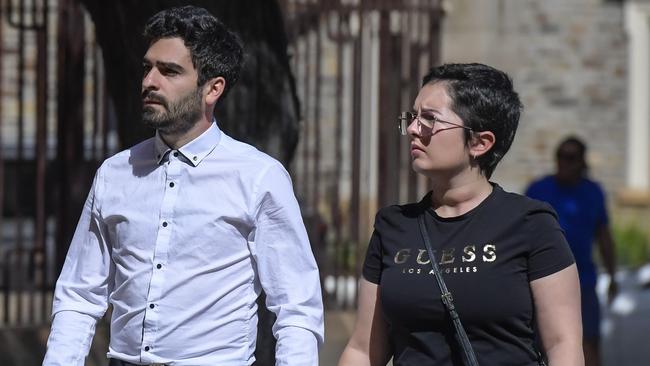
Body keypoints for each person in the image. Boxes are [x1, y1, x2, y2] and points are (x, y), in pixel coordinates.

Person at [43, 6, 323, 366]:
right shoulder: (115, 173)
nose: (149, 82)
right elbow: (79, 296)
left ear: (212, 89)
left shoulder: (257, 177)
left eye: (169, 71)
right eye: (148, 67)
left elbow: (296, 307)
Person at [338, 63, 583, 365]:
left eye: (430, 119)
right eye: (413, 117)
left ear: (480, 142)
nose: (414, 129)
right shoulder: (393, 226)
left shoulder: (531, 224)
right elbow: (363, 349)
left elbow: (563, 345)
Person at [526, 136, 617, 366]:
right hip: (542, 281)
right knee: (543, 344)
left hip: (583, 281)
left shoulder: (593, 192)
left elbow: (603, 235)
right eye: (561, 156)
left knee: (589, 344)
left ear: (581, 162)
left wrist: (613, 275)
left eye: (571, 158)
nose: (564, 163)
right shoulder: (538, 189)